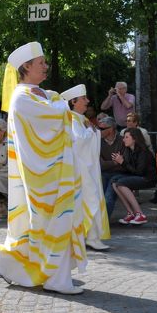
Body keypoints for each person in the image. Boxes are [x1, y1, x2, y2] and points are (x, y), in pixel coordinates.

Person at [0, 41, 87, 295]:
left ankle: (42, 272)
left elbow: (56, 112)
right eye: (41, 63)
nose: (46, 66)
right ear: (26, 67)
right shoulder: (22, 97)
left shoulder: (40, 94)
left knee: (56, 221)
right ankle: (55, 278)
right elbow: (54, 117)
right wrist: (60, 104)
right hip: (41, 174)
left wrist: (57, 102)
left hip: (53, 171)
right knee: (53, 222)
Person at [61, 84, 111, 251]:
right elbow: (79, 142)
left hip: (86, 168)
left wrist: (94, 132)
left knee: (89, 201)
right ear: (73, 102)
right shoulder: (71, 119)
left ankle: (89, 236)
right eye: (84, 98)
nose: (87, 101)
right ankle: (91, 237)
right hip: (81, 169)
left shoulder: (80, 119)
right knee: (91, 200)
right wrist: (92, 132)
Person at [111, 128, 157, 225]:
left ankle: (140, 214)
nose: (124, 139)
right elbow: (129, 169)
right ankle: (131, 213)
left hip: (148, 179)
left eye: (126, 137)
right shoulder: (128, 150)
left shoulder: (144, 152)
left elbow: (139, 172)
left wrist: (123, 162)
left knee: (121, 183)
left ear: (134, 139)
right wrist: (120, 161)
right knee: (114, 182)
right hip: (138, 176)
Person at [98, 116, 125, 219]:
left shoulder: (123, 141)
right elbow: (100, 164)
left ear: (111, 128)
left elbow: (123, 163)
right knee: (98, 198)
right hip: (103, 173)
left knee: (108, 198)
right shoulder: (97, 141)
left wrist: (116, 163)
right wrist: (115, 163)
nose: (99, 131)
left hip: (118, 174)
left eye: (102, 128)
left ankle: (104, 222)